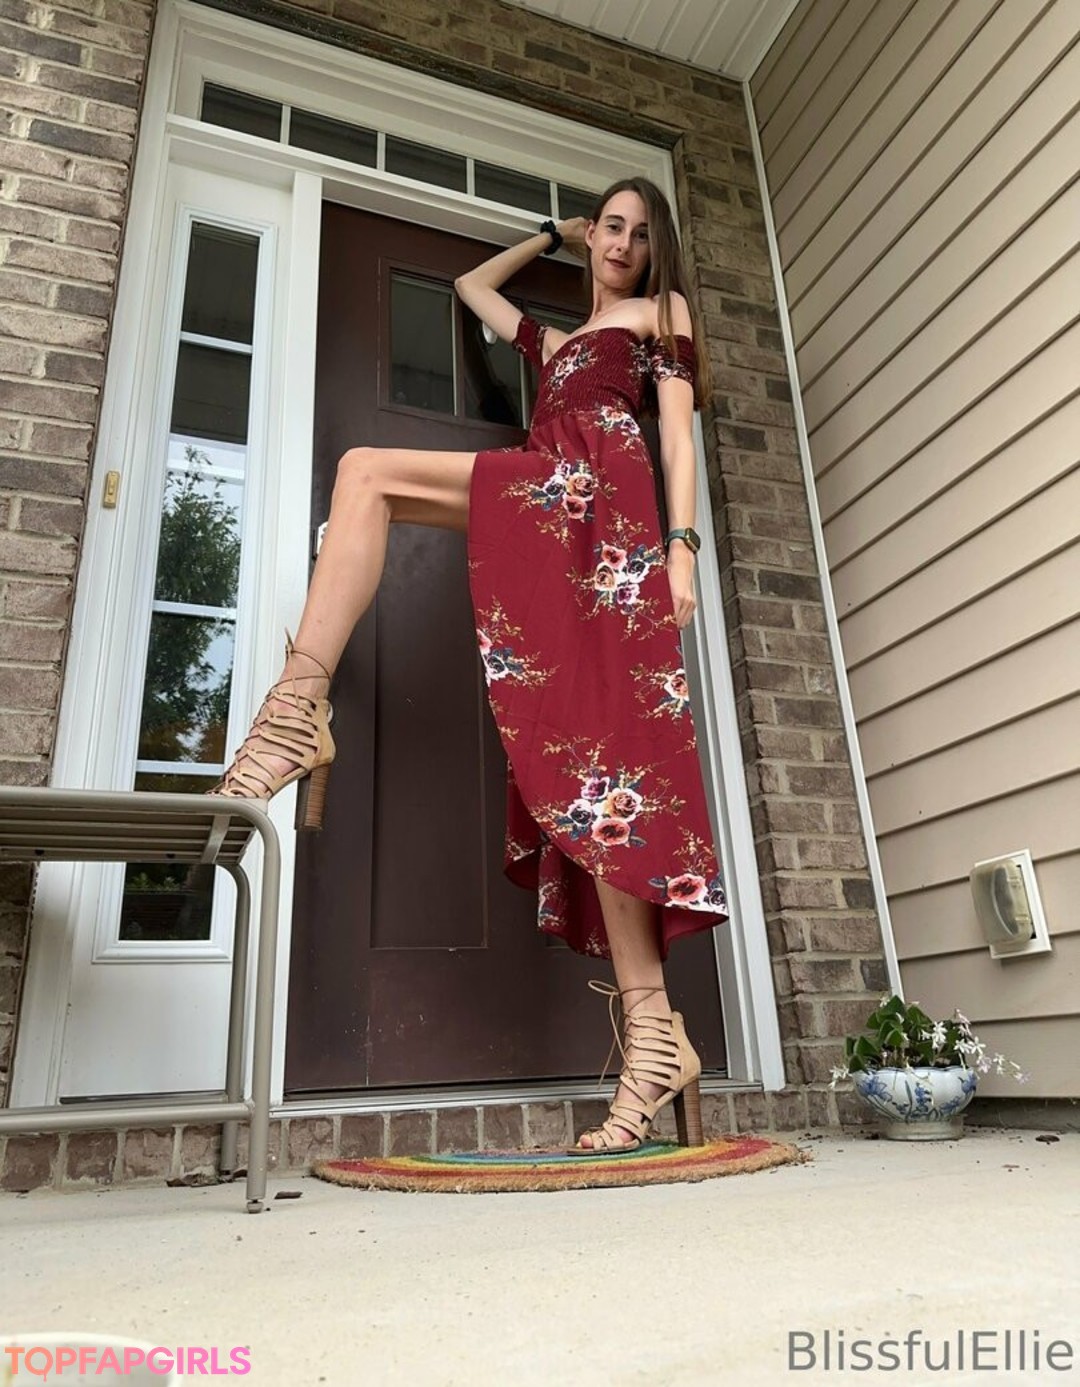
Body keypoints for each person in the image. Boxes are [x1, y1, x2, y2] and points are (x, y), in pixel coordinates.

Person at [213, 177, 729, 1152]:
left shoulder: (660, 313)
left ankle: (657, 1039)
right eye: (609, 227)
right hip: (548, 495)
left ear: (655, 247)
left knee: (607, 779)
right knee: (365, 475)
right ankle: (296, 711)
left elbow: (675, 430)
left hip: (607, 515)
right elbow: (471, 287)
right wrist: (552, 234)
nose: (620, 243)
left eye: (636, 231)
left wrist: (683, 548)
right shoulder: (556, 342)